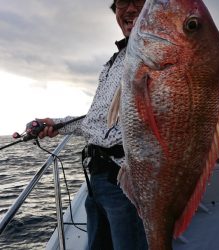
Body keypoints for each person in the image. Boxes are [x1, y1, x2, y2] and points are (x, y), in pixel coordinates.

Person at [38, 0, 148, 249]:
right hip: (97, 179)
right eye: (121, 2)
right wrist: (55, 124)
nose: (129, 9)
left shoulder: (152, 55)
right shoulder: (115, 61)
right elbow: (95, 122)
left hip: (127, 179)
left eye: (139, 1)